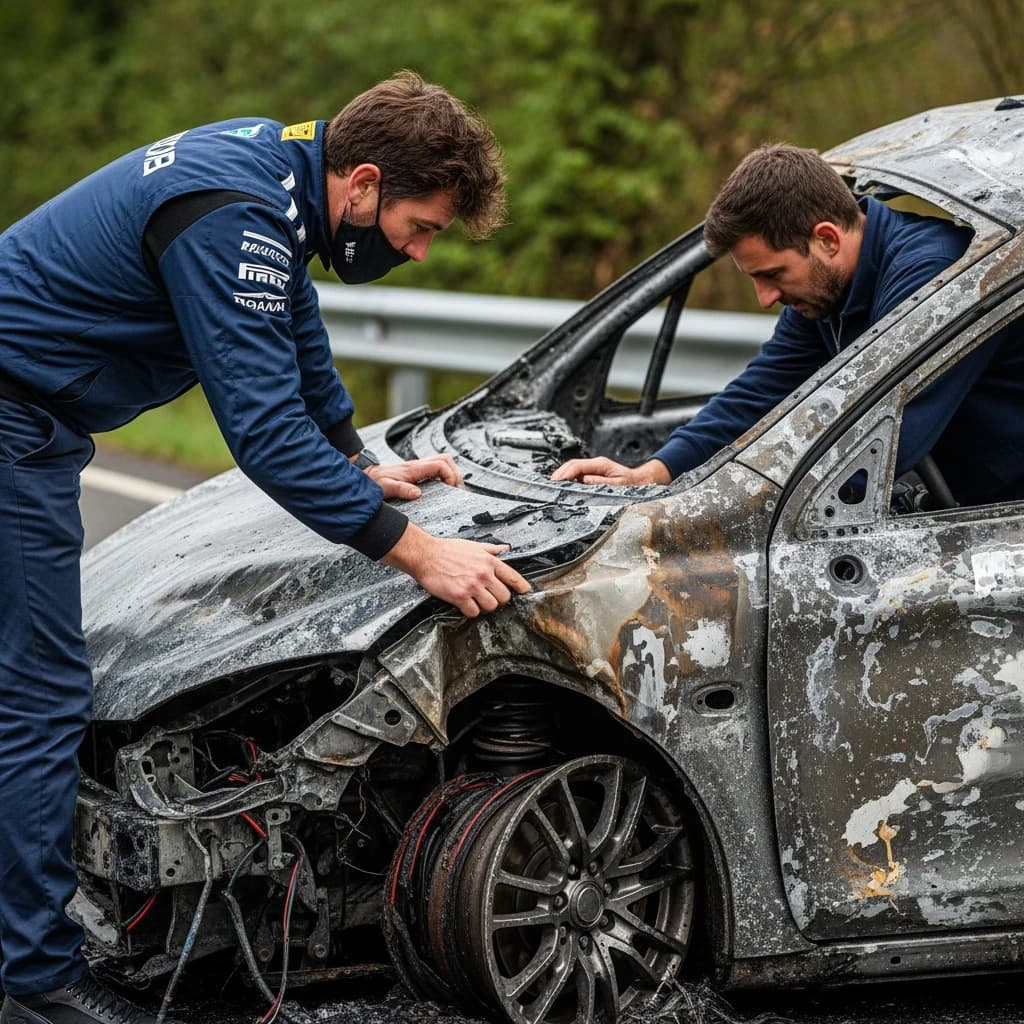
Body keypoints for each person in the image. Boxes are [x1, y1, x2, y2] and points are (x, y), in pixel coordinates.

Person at [0, 71, 530, 1024]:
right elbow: (262, 431)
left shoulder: (272, 174)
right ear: (363, 184)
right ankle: (36, 982)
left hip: (29, 421)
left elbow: (295, 336)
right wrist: (416, 553)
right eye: (422, 226)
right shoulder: (234, 209)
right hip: (9, 420)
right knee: (40, 694)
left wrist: (359, 466)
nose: (414, 252)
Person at [553, 143, 1024, 506]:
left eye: (772, 274)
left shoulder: (933, 275)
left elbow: (873, 448)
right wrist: (651, 474)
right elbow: (758, 393)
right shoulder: (827, 292)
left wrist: (716, 504)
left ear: (826, 239)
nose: (765, 299)